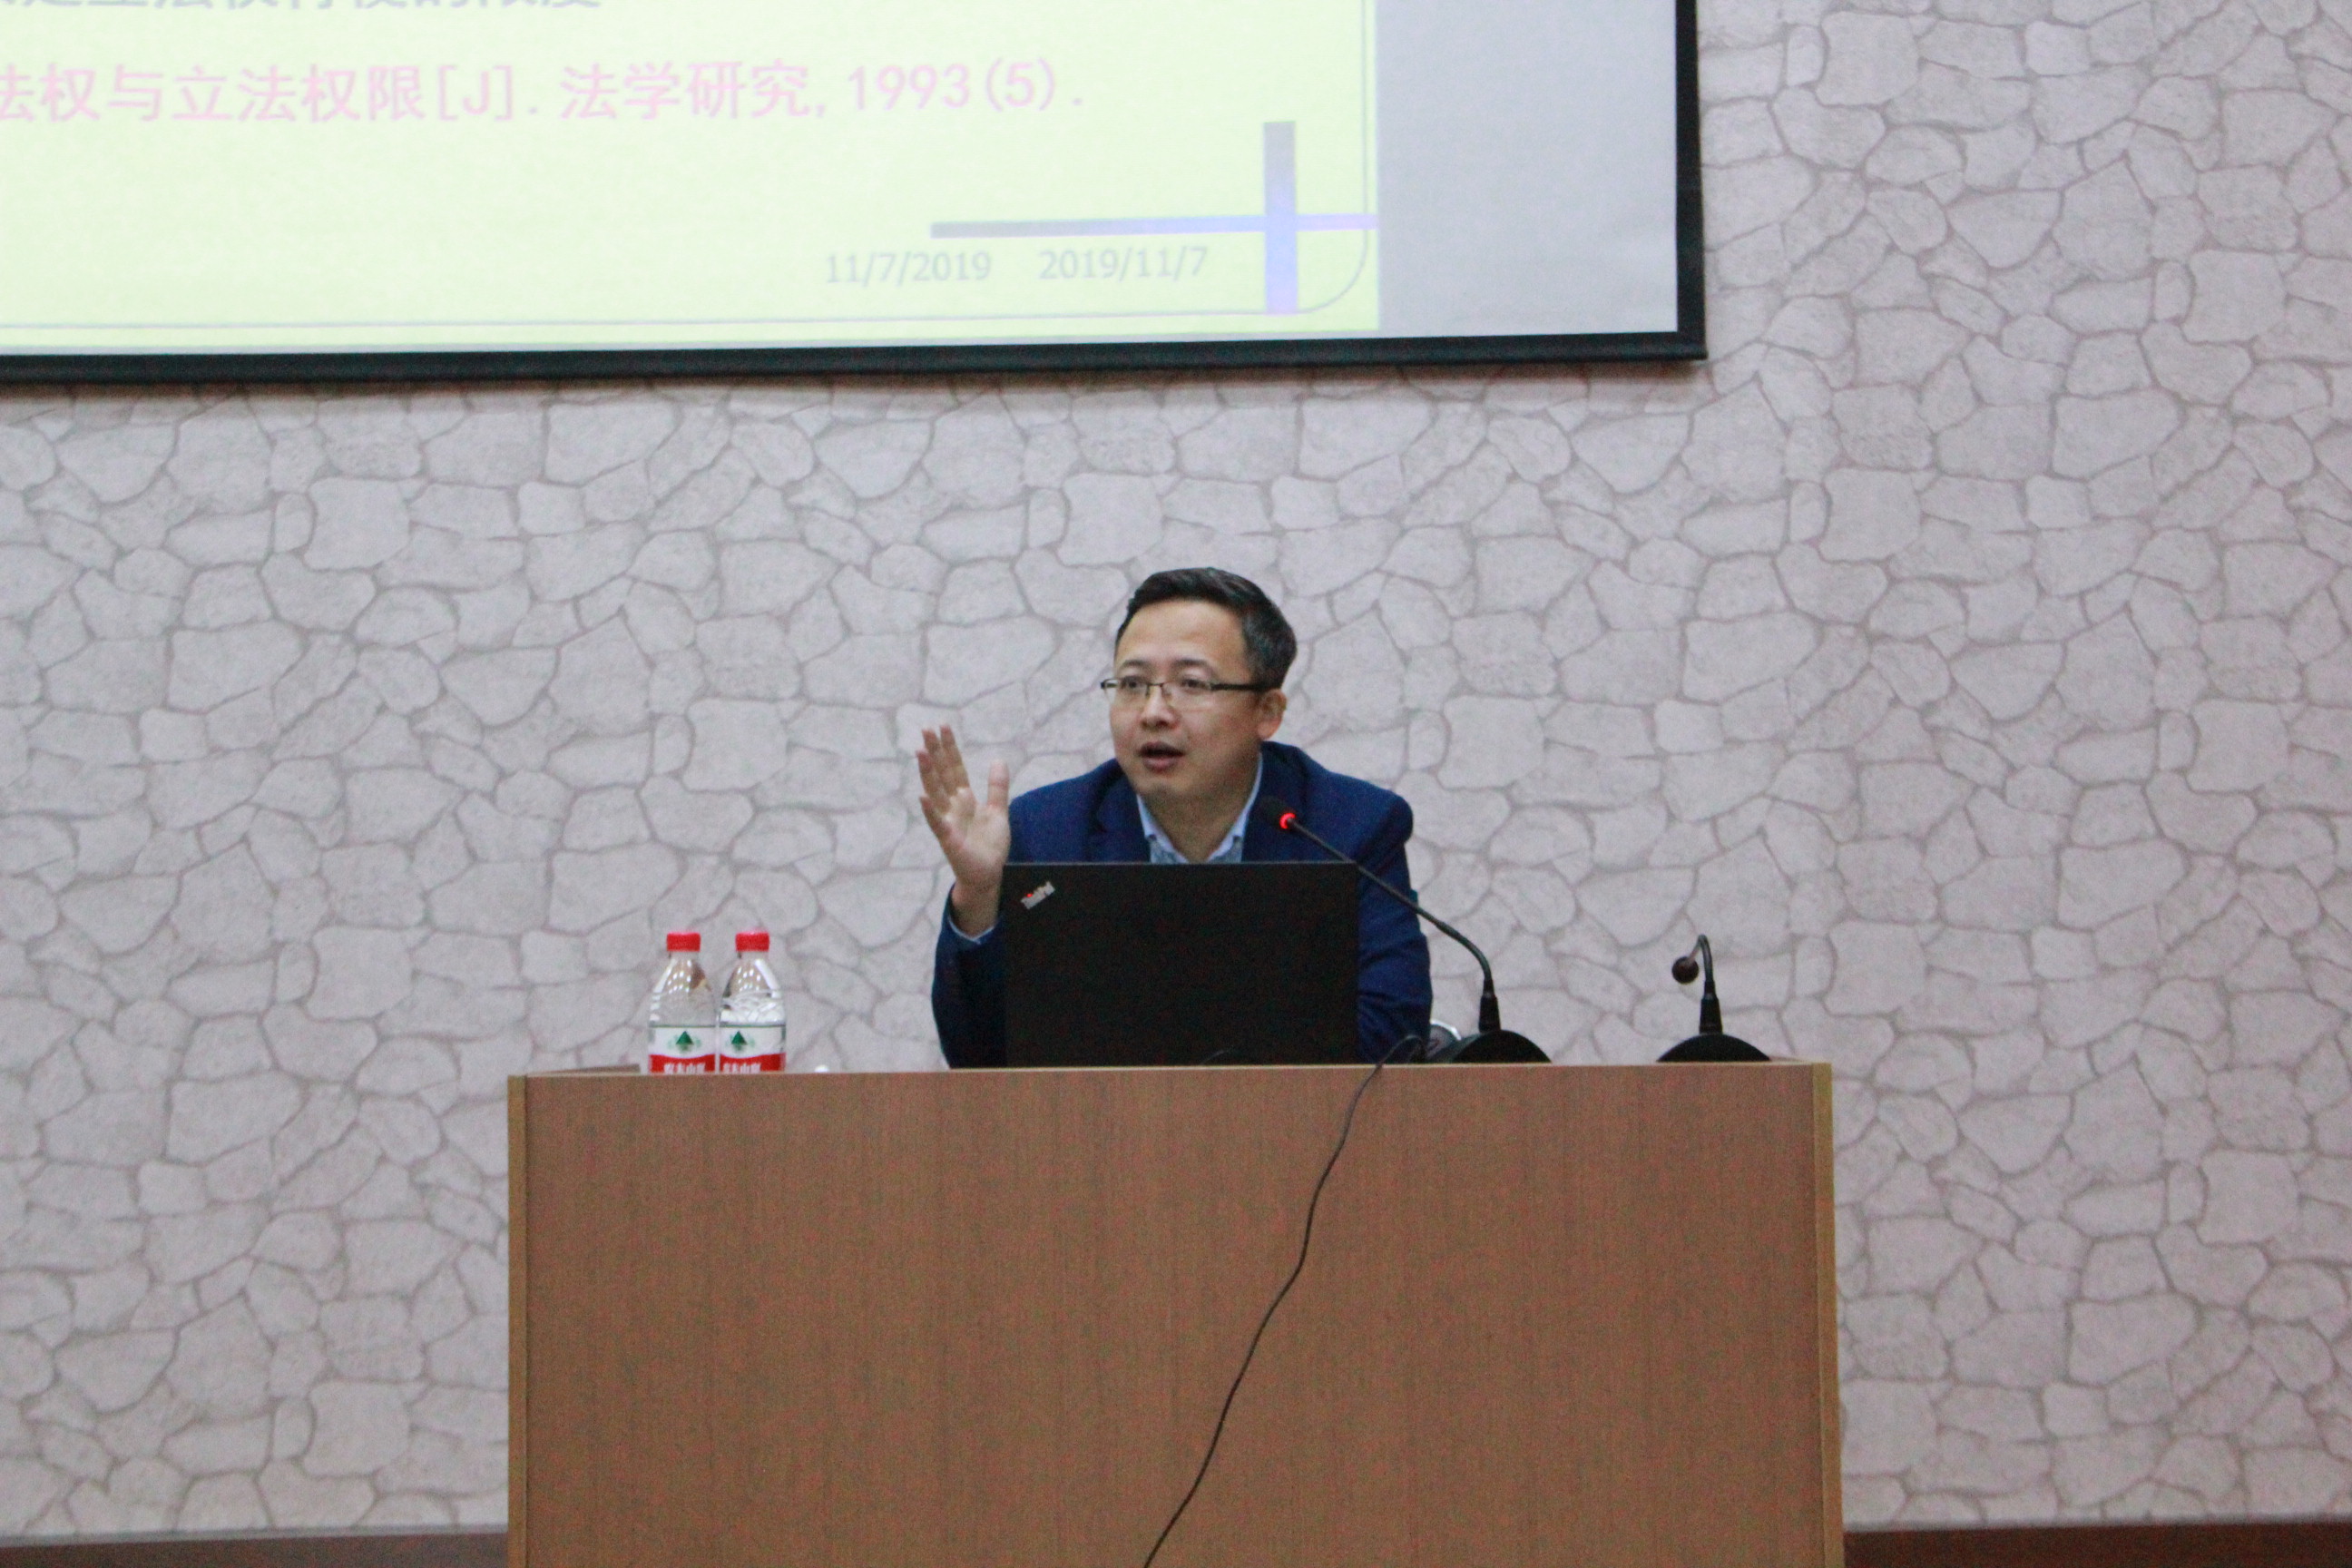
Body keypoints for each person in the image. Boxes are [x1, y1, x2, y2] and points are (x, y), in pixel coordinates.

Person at [918, 566, 1434, 1066]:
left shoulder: (1348, 829)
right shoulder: (1049, 832)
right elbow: (982, 1056)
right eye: (1132, 684)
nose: (1153, 713)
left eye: (1191, 684)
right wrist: (979, 898)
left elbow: (1392, 1032)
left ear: (1267, 712)